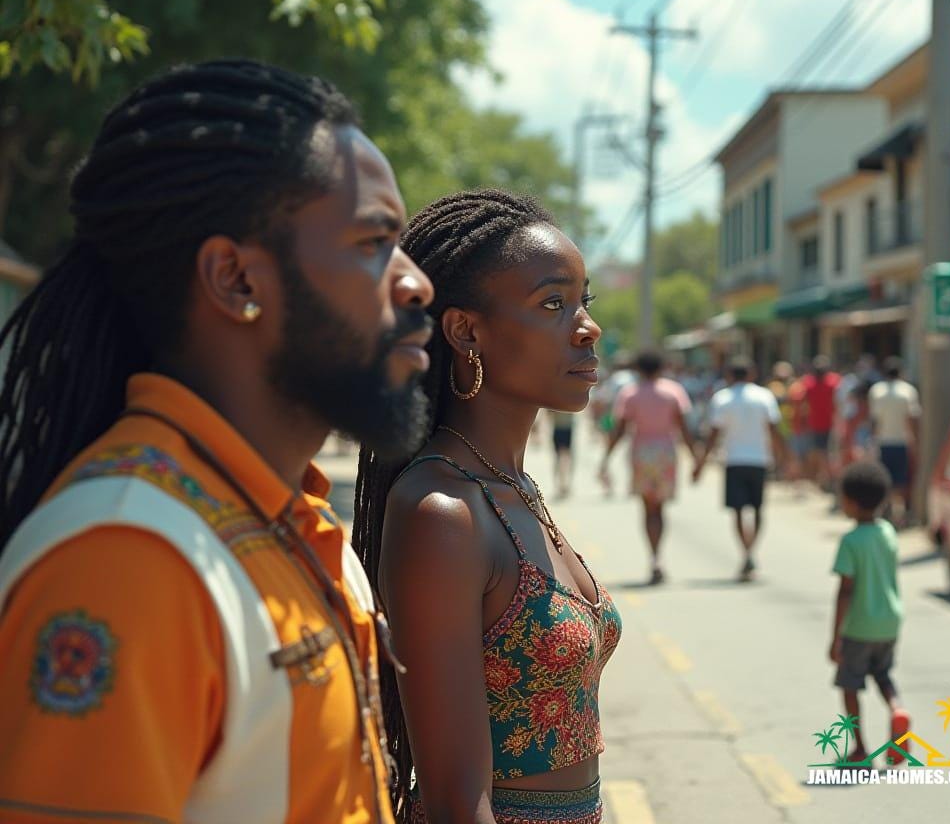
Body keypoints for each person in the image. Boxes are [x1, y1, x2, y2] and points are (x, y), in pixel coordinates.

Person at [0, 60, 436, 823]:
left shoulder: (293, 519)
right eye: (374, 242)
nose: (416, 282)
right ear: (236, 280)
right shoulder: (130, 558)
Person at [352, 190, 621, 824]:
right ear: (466, 331)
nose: (587, 327)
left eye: (584, 301)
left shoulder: (511, 485)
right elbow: (455, 801)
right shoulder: (442, 511)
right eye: (553, 304)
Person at [829, 460, 910, 765]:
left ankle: (860, 748)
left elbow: (845, 591)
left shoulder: (850, 541)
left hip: (860, 627)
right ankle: (897, 709)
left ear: (851, 502)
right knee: (883, 675)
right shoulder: (888, 532)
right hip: (889, 622)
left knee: (849, 685)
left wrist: (836, 637)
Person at [599, 351, 696, 585]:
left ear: (638, 369)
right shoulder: (674, 391)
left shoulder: (630, 393)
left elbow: (620, 429)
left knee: (647, 508)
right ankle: (658, 556)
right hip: (666, 452)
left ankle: (653, 557)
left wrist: (606, 458)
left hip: (641, 453)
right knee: (660, 508)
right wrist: (697, 458)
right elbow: (683, 427)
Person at [693, 357, 785, 581]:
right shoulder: (764, 396)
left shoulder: (722, 398)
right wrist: (785, 457)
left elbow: (713, 434)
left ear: (729, 375)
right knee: (758, 509)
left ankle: (746, 551)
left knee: (737, 511)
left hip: (734, 460)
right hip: (759, 460)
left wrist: (700, 463)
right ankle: (750, 550)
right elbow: (773, 429)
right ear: (752, 374)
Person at [868, 357, 921, 528]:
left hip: (883, 442)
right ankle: (902, 514)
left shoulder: (877, 391)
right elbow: (912, 418)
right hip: (902, 442)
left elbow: (875, 420)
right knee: (902, 480)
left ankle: (887, 511)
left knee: (885, 479)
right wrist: (915, 442)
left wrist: (872, 442)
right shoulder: (908, 391)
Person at [800, 355, 841, 490]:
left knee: (823, 453)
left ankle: (827, 478)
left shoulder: (809, 383)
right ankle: (827, 478)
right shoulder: (834, 382)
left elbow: (803, 404)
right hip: (824, 423)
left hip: (823, 423)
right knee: (826, 453)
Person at [550, 409, 576, 499]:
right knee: (561, 458)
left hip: (565, 428)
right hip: (560, 428)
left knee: (563, 458)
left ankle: (563, 484)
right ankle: (562, 484)